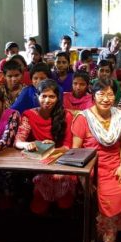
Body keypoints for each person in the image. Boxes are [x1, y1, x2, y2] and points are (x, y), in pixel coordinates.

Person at [71, 79, 121, 242]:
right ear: (93, 96)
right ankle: (101, 238)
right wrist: (85, 177)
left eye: (110, 94)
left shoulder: (119, 116)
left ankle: (116, 235)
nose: (106, 99)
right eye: (101, 94)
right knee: (107, 196)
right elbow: (75, 151)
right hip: (94, 167)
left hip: (117, 164)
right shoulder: (83, 118)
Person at [15, 79, 77, 215]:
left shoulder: (66, 115)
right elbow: (18, 141)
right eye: (43, 96)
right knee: (38, 208)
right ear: (37, 96)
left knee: (64, 201)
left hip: (61, 160)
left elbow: (68, 146)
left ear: (57, 98)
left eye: (52, 96)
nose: (47, 100)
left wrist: (52, 149)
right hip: (38, 161)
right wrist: (27, 144)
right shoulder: (29, 114)